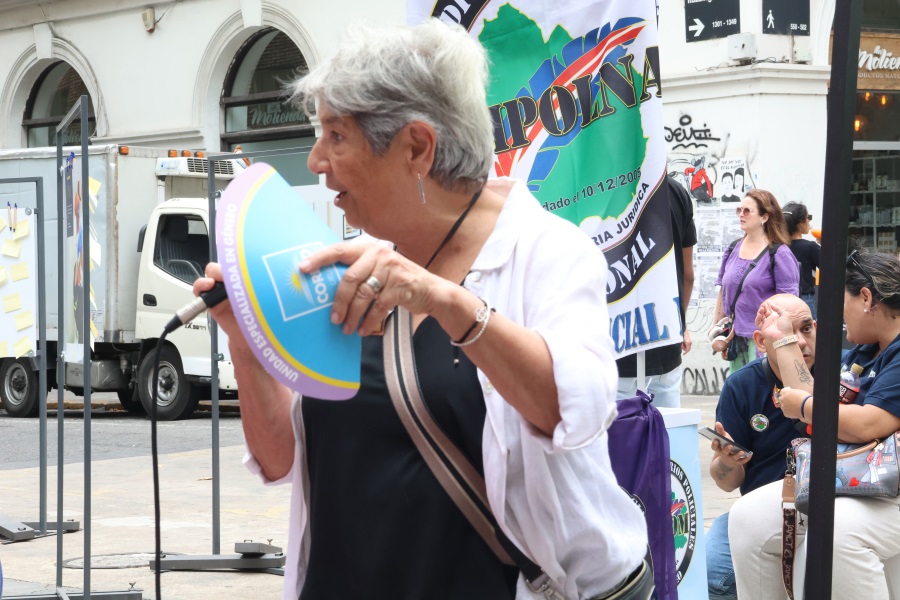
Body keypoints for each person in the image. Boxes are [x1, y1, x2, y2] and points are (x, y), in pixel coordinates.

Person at [195, 19, 650, 600]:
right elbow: (282, 458)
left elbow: (576, 407)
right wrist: (244, 342)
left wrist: (446, 300)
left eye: (337, 136)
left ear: (416, 147)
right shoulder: (356, 262)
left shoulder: (549, 254)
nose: (314, 160)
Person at [730, 249, 900, 599]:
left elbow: (870, 424)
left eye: (842, 301)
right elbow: (818, 398)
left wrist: (805, 406)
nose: (838, 314)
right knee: (747, 517)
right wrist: (783, 337)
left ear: (866, 297)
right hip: (861, 482)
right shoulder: (863, 352)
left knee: (835, 529)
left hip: (890, 493)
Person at [704, 293, 815, 600]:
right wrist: (728, 461)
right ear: (761, 342)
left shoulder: (841, 375)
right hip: (756, 515)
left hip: (820, 508)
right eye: (787, 334)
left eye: (806, 329)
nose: (801, 343)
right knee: (714, 577)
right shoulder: (741, 385)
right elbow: (726, 484)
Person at [616, 176, 696, 408]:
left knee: (620, 433)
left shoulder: (603, 186)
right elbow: (687, 274)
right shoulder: (676, 191)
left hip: (618, 337)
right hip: (665, 330)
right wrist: (680, 322)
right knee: (666, 429)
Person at [711, 189, 799, 371]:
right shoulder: (733, 248)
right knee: (739, 393)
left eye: (747, 211)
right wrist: (717, 327)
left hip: (765, 342)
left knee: (761, 394)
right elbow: (723, 290)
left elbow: (790, 304)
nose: (741, 215)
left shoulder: (779, 253)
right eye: (739, 210)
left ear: (765, 217)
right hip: (736, 338)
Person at [782, 202, 820, 318]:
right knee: (807, 334)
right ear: (800, 223)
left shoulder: (778, 248)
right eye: (809, 218)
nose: (809, 222)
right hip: (804, 298)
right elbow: (831, 267)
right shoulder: (810, 247)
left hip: (782, 300)